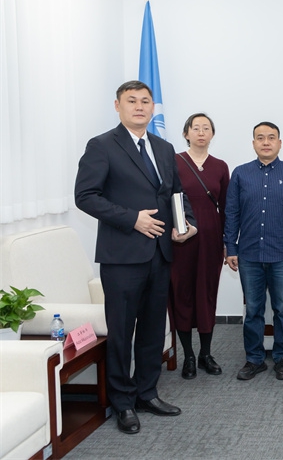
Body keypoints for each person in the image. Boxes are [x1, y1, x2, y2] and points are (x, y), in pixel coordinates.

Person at [75, 80, 197, 435]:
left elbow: (175, 193)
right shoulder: (101, 146)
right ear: (118, 106)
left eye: (146, 101)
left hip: (160, 252)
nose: (140, 106)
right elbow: (86, 196)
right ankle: (122, 402)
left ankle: (147, 392)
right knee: (121, 333)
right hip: (122, 256)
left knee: (152, 330)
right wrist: (132, 219)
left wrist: (186, 223)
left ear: (153, 108)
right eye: (132, 101)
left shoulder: (164, 147)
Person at [224, 122, 283, 382]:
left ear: (280, 143)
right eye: (260, 138)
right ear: (253, 143)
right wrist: (231, 247)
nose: (266, 142)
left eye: (271, 137)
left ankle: (281, 358)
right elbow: (231, 213)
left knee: (282, 310)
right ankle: (254, 359)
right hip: (248, 254)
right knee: (253, 311)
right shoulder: (240, 173)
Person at [170, 113, 229, 379]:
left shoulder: (220, 166)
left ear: (212, 134)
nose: (201, 132)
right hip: (181, 239)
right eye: (196, 128)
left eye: (206, 128)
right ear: (186, 133)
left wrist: (227, 243)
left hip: (211, 238)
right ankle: (188, 356)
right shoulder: (174, 162)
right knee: (181, 294)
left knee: (207, 294)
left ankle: (206, 354)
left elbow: (226, 208)